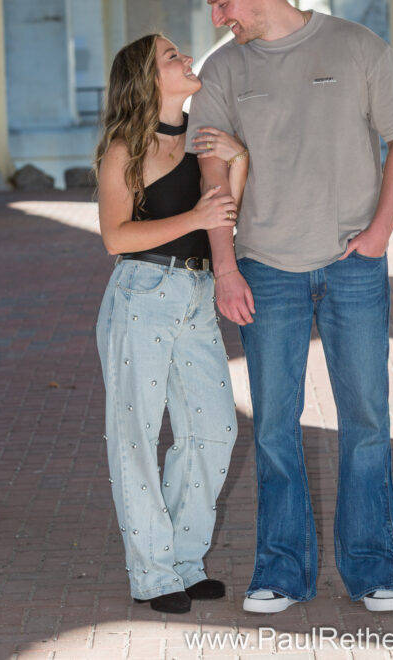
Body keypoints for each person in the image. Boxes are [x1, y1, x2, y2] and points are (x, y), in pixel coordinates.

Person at [186, 0, 393, 614]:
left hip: (353, 266)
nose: (217, 17)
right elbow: (213, 178)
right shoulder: (224, 70)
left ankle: (374, 570)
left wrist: (382, 230)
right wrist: (226, 266)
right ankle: (281, 572)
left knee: (366, 420)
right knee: (273, 426)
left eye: (221, 1)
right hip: (267, 269)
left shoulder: (353, 47)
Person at [94, 33, 249, 614]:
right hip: (143, 294)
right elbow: (115, 236)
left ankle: (185, 561)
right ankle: (153, 574)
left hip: (196, 293)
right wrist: (194, 214)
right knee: (135, 437)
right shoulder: (124, 150)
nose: (185, 58)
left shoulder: (203, 137)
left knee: (215, 430)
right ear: (148, 79)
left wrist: (240, 159)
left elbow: (227, 213)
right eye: (170, 56)